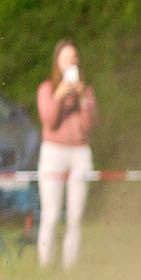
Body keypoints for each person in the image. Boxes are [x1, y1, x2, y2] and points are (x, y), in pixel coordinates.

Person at [35, 39, 96, 267]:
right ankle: (45, 265)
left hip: (79, 152)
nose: (71, 62)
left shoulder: (86, 91)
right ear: (57, 62)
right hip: (53, 152)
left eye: (74, 57)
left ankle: (71, 266)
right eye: (66, 58)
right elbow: (49, 121)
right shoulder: (46, 89)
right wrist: (58, 96)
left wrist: (82, 100)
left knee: (75, 216)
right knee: (50, 214)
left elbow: (89, 126)